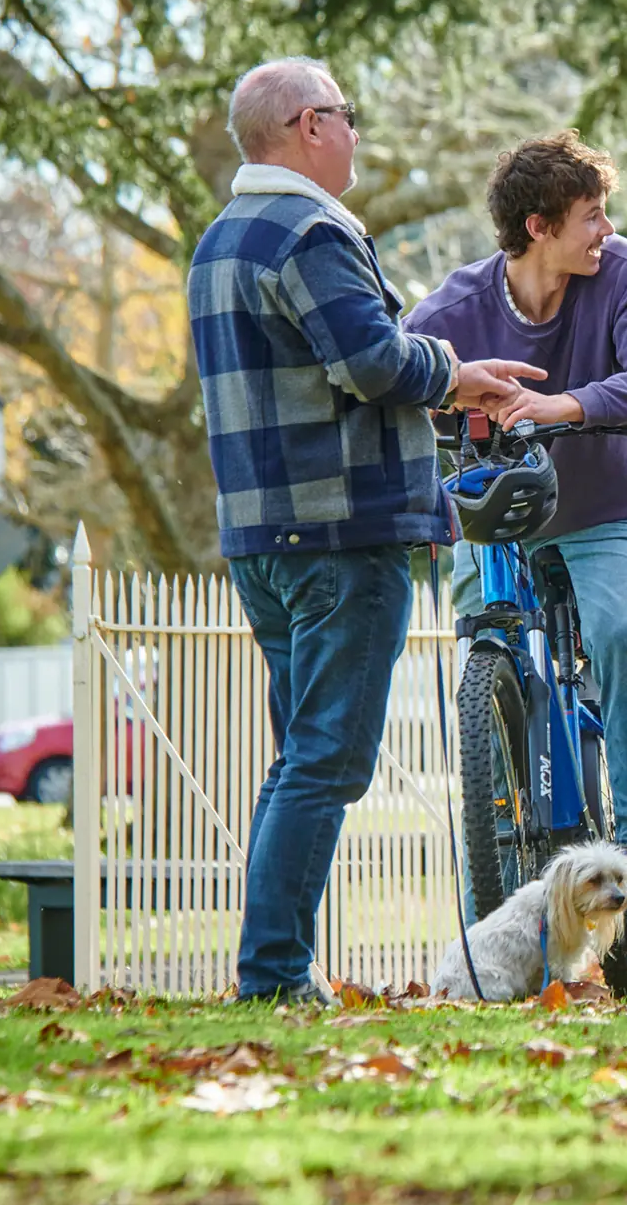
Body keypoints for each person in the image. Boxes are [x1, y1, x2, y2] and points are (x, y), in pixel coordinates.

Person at [188, 59, 541, 1003]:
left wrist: (443, 372)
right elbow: (373, 364)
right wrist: (453, 368)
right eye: (347, 115)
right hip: (344, 536)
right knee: (327, 763)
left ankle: (273, 969)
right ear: (308, 126)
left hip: (263, 539)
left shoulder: (221, 239)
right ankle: (272, 978)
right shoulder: (310, 230)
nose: (355, 132)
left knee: (302, 755)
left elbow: (322, 376)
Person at [409, 132, 627, 941]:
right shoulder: (456, 308)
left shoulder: (622, 274)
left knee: (619, 634)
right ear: (538, 227)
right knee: (485, 671)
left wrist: (560, 406)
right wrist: (444, 403)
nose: (607, 229)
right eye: (591, 216)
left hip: (608, 511)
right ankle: (495, 904)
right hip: (497, 519)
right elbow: (395, 376)